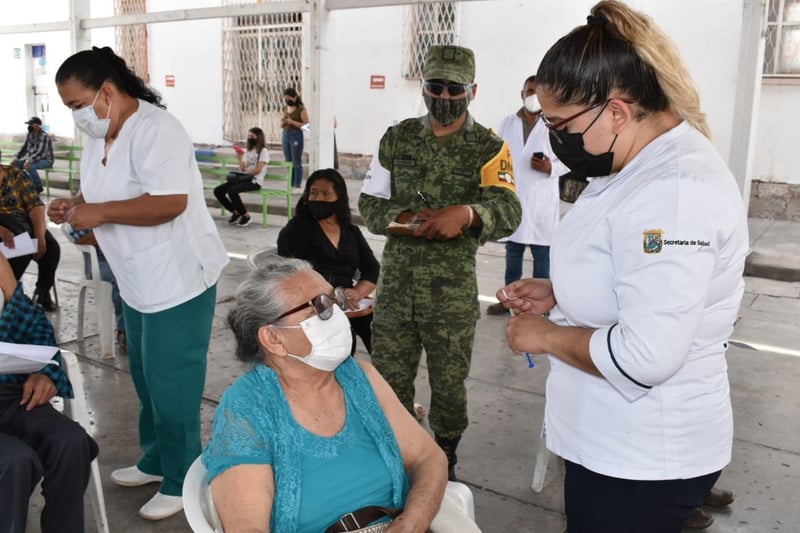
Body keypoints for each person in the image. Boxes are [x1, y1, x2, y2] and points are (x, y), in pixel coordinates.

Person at [498, 2, 749, 532]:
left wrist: (543, 335)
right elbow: (631, 272)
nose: (552, 138)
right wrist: (559, 292)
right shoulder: (632, 159)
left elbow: (646, 355)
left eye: (559, 123)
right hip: (614, 444)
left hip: (643, 458)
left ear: (616, 111)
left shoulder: (674, 192)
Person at [48, 46, 229, 521]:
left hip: (178, 277)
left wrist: (101, 212)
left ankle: (183, 477)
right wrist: (75, 205)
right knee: (147, 377)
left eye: (76, 105)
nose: (76, 116)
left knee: (174, 383)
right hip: (138, 277)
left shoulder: (157, 131)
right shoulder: (102, 133)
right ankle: (155, 459)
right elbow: (101, 189)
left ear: (106, 91)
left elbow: (168, 202)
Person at [359, 44, 522, 481]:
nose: (445, 98)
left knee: (449, 386)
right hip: (395, 291)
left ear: (472, 90)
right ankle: (398, 456)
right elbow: (370, 201)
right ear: (424, 87)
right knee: (390, 382)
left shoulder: (489, 147)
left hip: (449, 296)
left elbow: (508, 211)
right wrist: (403, 219)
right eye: (436, 87)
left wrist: (468, 215)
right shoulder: (398, 138)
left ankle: (445, 456)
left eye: (455, 89)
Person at [202, 255, 447, 532]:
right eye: (320, 307)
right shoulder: (247, 409)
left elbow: (428, 458)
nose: (339, 315)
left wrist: (413, 520)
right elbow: (248, 528)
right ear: (273, 339)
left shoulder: (360, 378)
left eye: (335, 300)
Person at [0, 254, 99, 533]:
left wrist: (45, 373)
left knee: (71, 441)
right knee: (14, 461)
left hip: (13, 396)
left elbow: (38, 331)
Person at [278, 168, 380, 354]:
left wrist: (356, 293)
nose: (318, 199)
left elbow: (372, 268)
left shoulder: (351, 232)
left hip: (349, 305)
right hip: (313, 307)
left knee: (382, 343)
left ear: (339, 197)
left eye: (326, 193)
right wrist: (325, 295)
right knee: (342, 349)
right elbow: (289, 273)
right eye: (314, 192)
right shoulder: (297, 228)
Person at [486, 75, 565, 316]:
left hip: (541, 198)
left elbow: (569, 160)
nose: (533, 97)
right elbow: (496, 153)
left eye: (538, 92)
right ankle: (508, 299)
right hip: (514, 197)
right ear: (522, 93)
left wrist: (551, 168)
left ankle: (541, 305)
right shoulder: (508, 123)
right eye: (530, 91)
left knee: (542, 254)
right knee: (514, 252)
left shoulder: (555, 124)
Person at [0, 164, 60, 311]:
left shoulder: (16, 175)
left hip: (23, 223)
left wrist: (40, 234)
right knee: (17, 249)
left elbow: (35, 206)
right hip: (3, 228)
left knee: (51, 248)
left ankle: (42, 293)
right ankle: (10, 298)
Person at [60, 223, 127, 349]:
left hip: (125, 256)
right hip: (100, 261)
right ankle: (125, 331)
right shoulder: (84, 208)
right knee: (121, 277)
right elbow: (80, 237)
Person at [213, 126, 270, 227]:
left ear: (259, 137)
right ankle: (235, 212)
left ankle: (245, 215)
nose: (249, 138)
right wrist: (239, 156)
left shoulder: (263, 151)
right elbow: (242, 169)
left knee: (232, 190)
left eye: (252, 136)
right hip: (243, 178)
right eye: (248, 136)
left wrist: (245, 174)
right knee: (218, 190)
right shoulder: (248, 151)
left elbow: (258, 170)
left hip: (254, 181)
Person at [11, 117, 53, 193]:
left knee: (30, 166)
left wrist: (28, 161)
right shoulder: (30, 135)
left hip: (45, 160)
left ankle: (38, 187)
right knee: (16, 165)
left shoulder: (44, 136)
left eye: (31, 125)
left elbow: (40, 153)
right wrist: (16, 158)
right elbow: (25, 148)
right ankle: (25, 184)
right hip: (32, 159)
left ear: (37, 126)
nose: (29, 126)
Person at [280, 87, 309, 193]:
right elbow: (282, 124)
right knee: (288, 161)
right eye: (285, 98)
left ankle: (297, 185)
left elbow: (307, 126)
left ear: (295, 97)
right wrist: (284, 121)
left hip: (296, 135)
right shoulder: (285, 108)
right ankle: (290, 184)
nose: (287, 100)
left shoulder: (301, 109)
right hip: (286, 134)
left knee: (296, 161)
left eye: (289, 98)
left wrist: (292, 122)